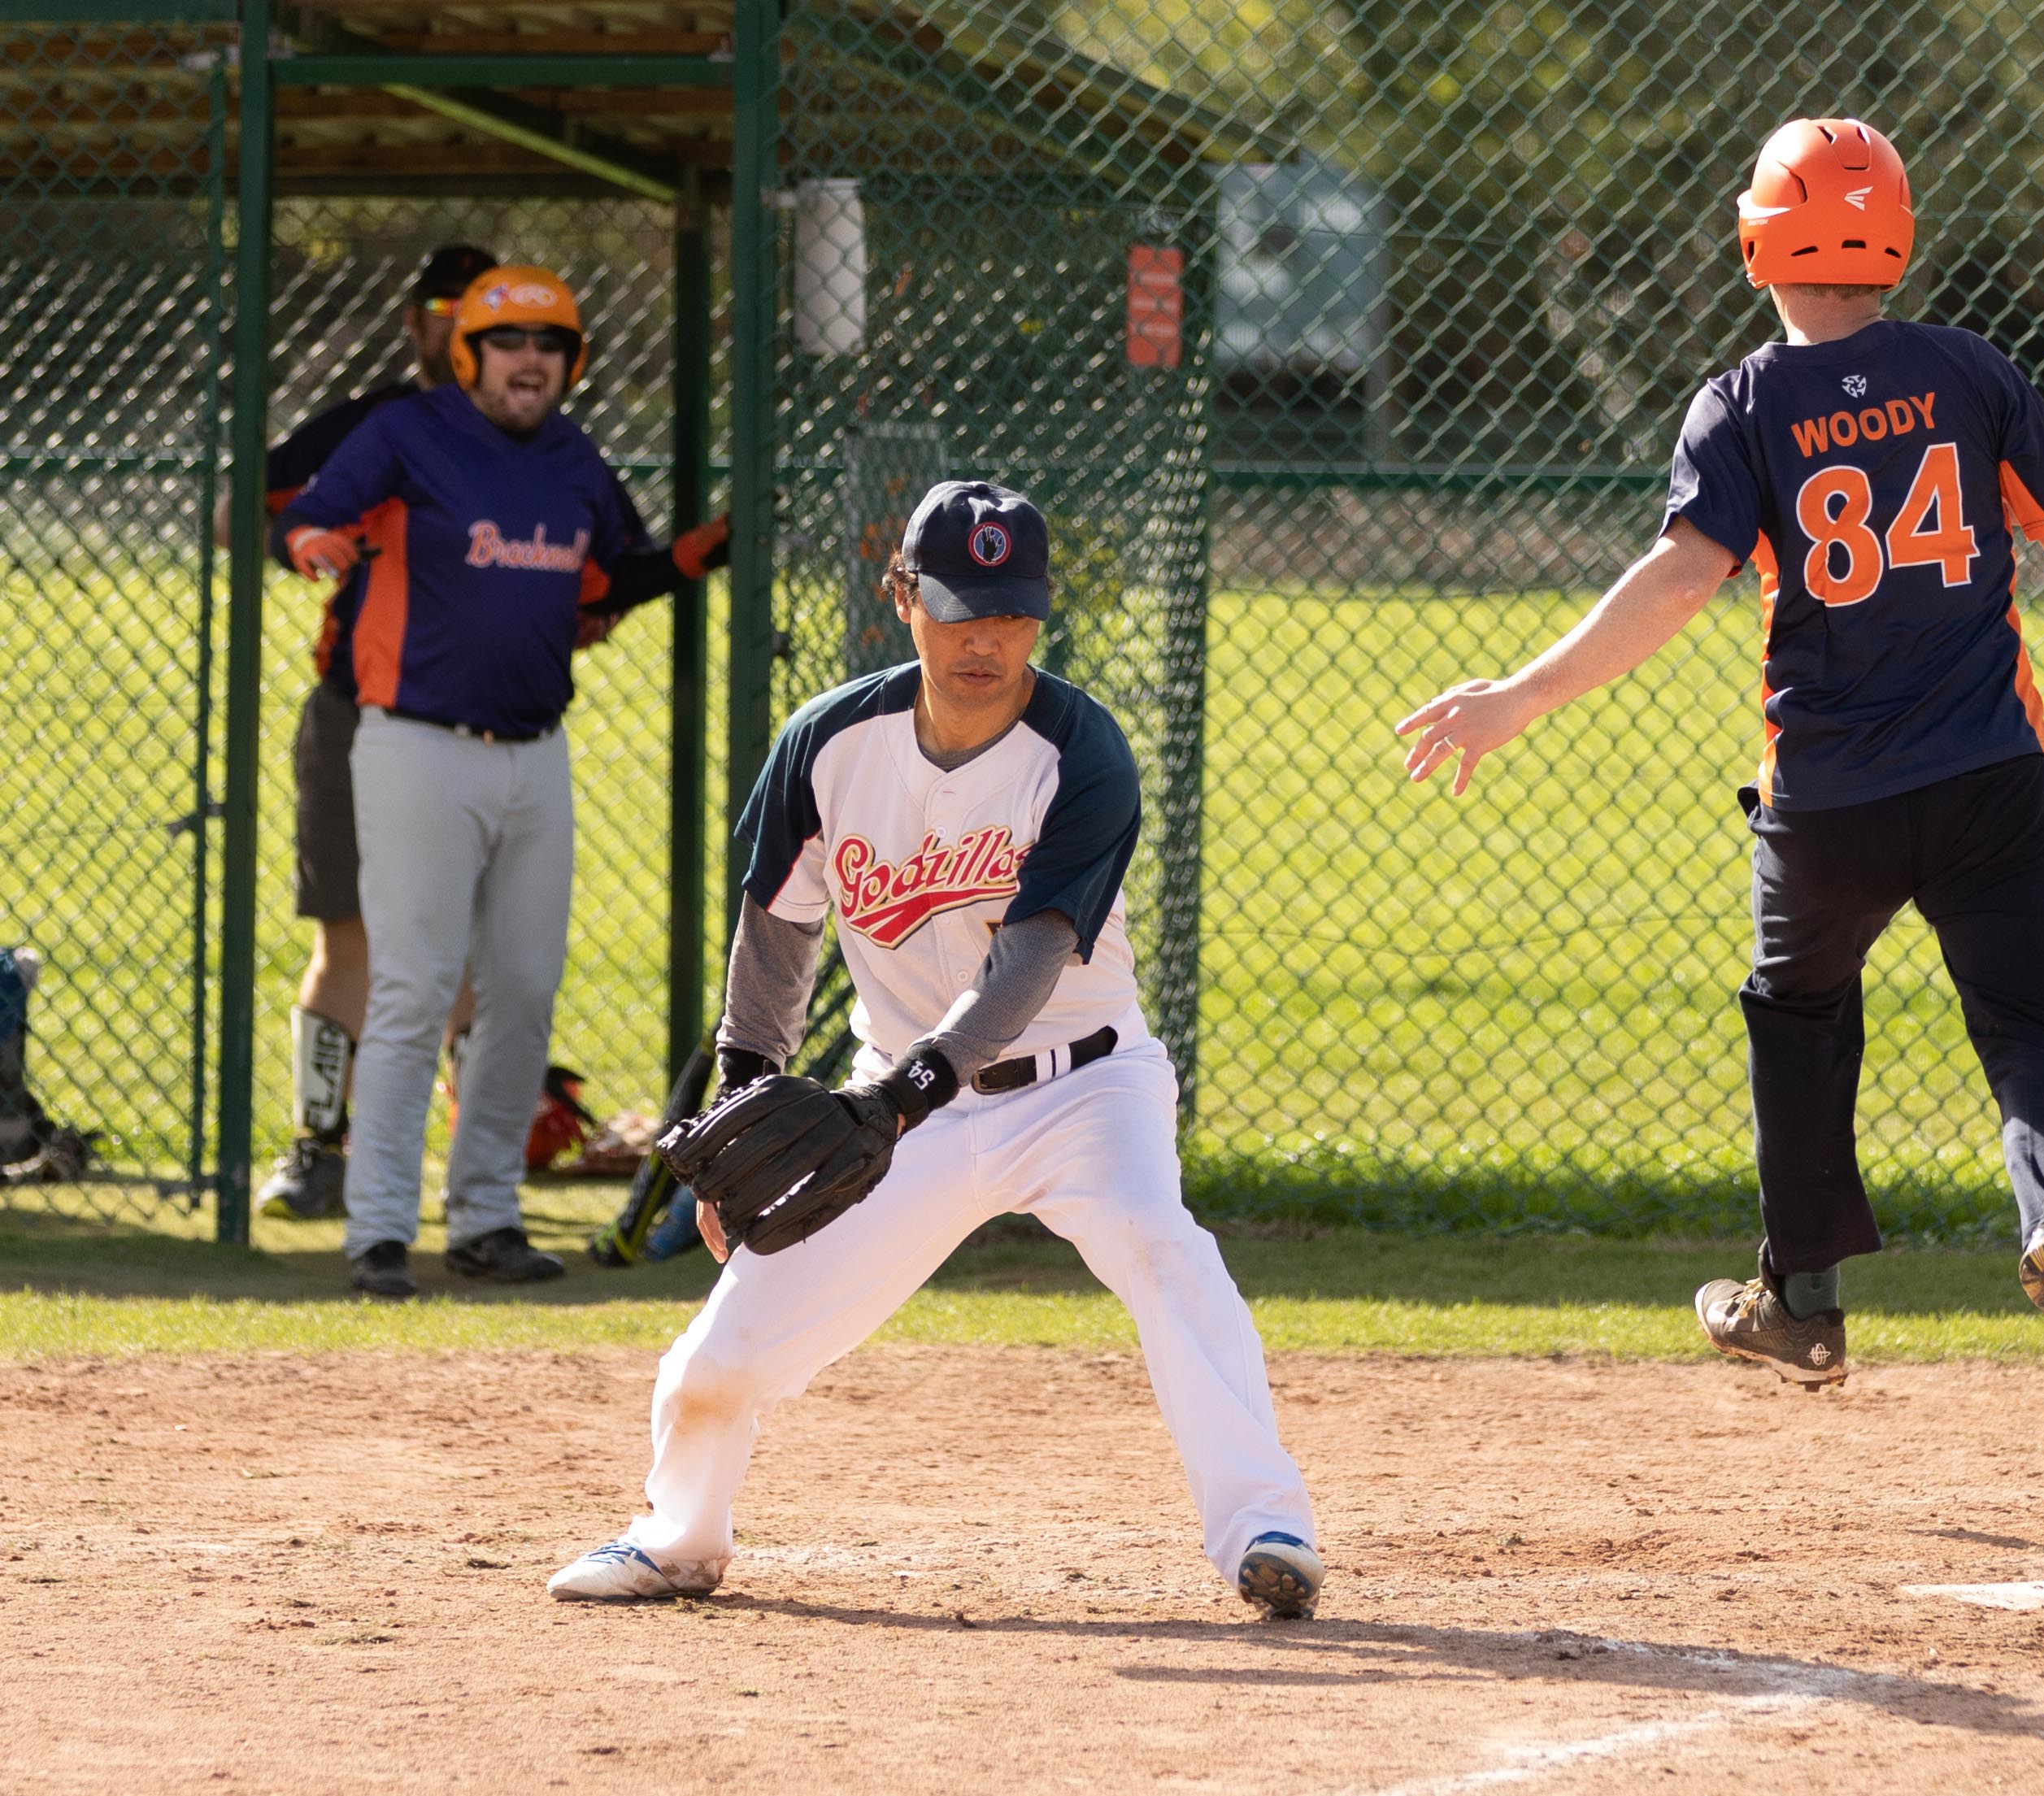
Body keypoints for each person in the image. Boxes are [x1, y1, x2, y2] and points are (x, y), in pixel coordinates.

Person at [1394, 118, 2044, 1437]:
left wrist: (1518, 695)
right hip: (1991, 773)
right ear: (1898, 238)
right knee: (2030, 1033)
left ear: (1757, 241)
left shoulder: (1742, 402)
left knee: (1796, 1014)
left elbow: (1683, 575)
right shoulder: (1971, 371)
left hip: (1825, 797)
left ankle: (1799, 1303)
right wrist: (2019, 530)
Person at [545, 481, 1324, 1618]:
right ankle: (677, 1537)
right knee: (723, 1350)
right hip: (901, 1101)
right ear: (901, 596)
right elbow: (774, 934)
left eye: (1010, 612)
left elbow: (1030, 962)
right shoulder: (828, 743)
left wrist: (900, 1097)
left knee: (1161, 1246)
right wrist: (740, 1105)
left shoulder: (1081, 751)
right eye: (959, 608)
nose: (986, 640)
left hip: (1085, 1082)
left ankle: (1267, 1526)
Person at [273, 265, 729, 1298]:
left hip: (535, 751)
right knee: (414, 986)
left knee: (521, 990)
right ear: (469, 354)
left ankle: (483, 1220)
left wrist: (697, 556)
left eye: (551, 344)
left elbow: (609, 574)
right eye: (510, 341)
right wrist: (310, 538)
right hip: (415, 745)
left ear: (569, 364)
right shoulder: (407, 432)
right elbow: (305, 514)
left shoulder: (573, 457)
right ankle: (380, 1231)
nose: (532, 359)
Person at [249, 242, 493, 1221]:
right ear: (416, 322)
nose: (461, 325)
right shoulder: (377, 422)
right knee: (346, 934)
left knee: (471, 947)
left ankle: (480, 1164)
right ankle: (320, 1146)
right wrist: (322, 531)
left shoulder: (532, 437)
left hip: (482, 723)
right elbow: (255, 507)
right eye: (444, 306)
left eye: (483, 310)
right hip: (358, 709)